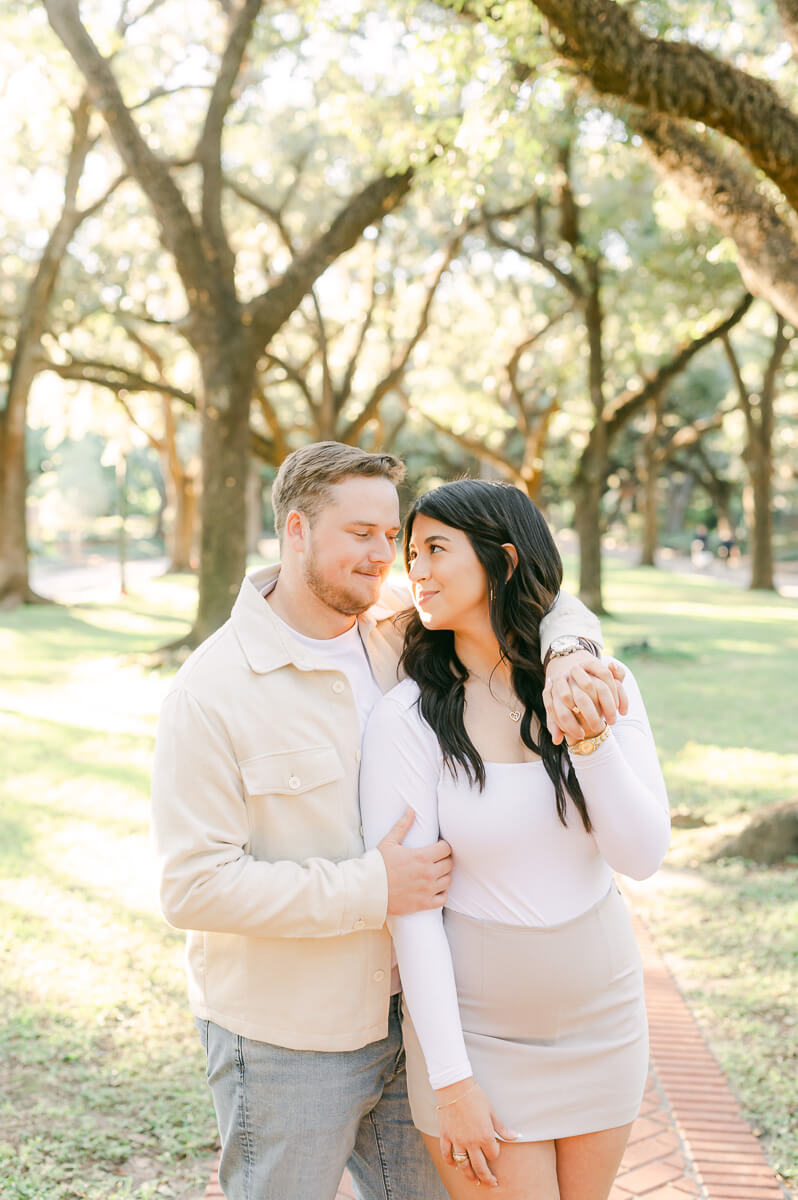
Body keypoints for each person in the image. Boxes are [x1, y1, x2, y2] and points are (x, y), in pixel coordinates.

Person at [151, 443, 626, 1200]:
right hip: (291, 1042)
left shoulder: (402, 637)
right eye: (360, 534)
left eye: (392, 535)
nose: (384, 556)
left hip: (426, 1028)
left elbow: (533, 591)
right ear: (297, 530)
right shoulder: (211, 692)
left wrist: (569, 650)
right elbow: (192, 888)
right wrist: (371, 887)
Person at [360, 479, 670, 1199]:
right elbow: (412, 911)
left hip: (606, 1020)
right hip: (479, 1039)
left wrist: (589, 736)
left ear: (500, 562)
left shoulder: (597, 681)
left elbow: (641, 855)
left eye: (437, 548)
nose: (418, 572)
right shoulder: (407, 718)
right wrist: (453, 1080)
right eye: (414, 554)